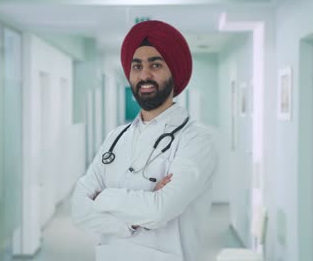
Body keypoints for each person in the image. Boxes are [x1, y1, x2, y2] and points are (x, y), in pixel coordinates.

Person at [71, 20, 218, 261]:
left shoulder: (196, 140)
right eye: (137, 66)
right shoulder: (115, 137)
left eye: (156, 65)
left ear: (174, 72)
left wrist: (104, 197)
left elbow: (160, 211)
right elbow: (79, 210)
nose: (145, 75)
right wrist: (132, 224)